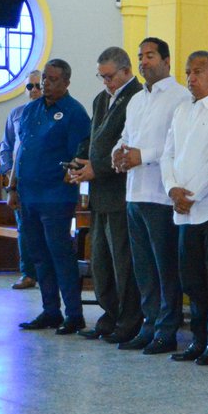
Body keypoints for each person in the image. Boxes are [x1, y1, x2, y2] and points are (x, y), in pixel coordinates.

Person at [114, 38, 190, 355]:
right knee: (143, 267)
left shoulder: (180, 97)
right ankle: (149, 325)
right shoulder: (136, 100)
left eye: (150, 56)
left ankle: (166, 330)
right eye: (140, 56)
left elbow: (178, 146)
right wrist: (118, 153)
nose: (144, 62)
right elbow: (125, 137)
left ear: (167, 60)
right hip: (134, 193)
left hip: (160, 195)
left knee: (164, 268)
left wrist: (141, 156)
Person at [161, 51, 208, 366]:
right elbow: (168, 154)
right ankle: (199, 340)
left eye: (198, 72)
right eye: (188, 72)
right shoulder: (181, 110)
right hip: (184, 210)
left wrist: (191, 194)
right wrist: (171, 189)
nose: (191, 78)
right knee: (192, 280)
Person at [67, 46, 144, 343]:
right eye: (102, 77)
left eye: (110, 76)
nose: (106, 82)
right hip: (99, 195)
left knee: (122, 261)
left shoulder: (137, 97)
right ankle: (109, 314)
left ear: (126, 71)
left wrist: (96, 168)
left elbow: (128, 145)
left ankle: (129, 319)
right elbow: (93, 137)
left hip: (121, 193)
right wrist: (78, 160)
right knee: (101, 261)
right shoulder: (102, 99)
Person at [10, 59, 91, 334]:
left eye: (54, 79)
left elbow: (80, 154)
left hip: (56, 196)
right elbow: (20, 150)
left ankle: (74, 314)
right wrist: (12, 187)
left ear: (66, 82)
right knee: (39, 255)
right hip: (28, 193)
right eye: (45, 78)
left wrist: (73, 175)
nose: (46, 83)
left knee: (60, 255)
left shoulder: (74, 113)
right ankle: (50, 310)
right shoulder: (31, 109)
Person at [0, 69, 40, 290]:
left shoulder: (53, 113)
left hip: (43, 181)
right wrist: (8, 173)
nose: (34, 90)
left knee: (44, 228)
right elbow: (6, 147)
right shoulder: (16, 114)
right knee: (24, 227)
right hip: (19, 181)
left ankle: (46, 273)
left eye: (37, 86)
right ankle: (28, 274)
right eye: (29, 86)